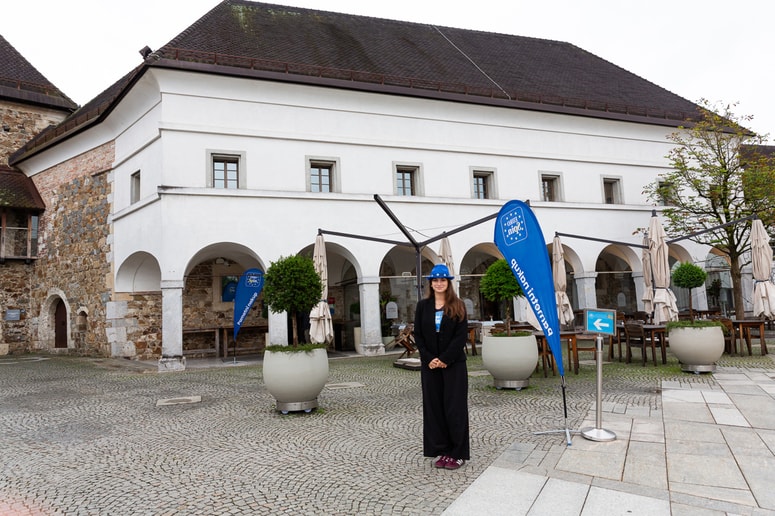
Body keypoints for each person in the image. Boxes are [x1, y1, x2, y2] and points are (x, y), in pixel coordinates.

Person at [413, 263, 470, 470]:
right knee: (434, 408)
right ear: (431, 283)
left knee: (455, 408)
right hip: (430, 366)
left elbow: (460, 336)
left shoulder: (458, 305)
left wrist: (445, 359)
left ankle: (458, 453)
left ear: (448, 282)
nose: (438, 283)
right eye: (435, 280)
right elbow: (418, 335)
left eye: (442, 280)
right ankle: (442, 450)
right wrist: (429, 358)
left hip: (453, 365)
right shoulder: (423, 306)